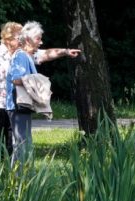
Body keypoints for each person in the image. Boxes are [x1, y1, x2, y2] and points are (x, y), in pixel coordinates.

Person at [0, 22, 80, 155]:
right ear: (8, 37)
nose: (21, 39)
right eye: (19, 36)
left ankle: (8, 174)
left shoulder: (24, 53)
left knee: (10, 146)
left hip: (12, 105)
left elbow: (46, 54)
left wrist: (66, 52)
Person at [6, 21, 79, 165]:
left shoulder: (28, 55)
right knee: (22, 145)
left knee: (24, 143)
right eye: (38, 38)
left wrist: (66, 51)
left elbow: (47, 53)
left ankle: (23, 180)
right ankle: (19, 181)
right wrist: (37, 81)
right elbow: (15, 79)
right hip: (17, 106)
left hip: (21, 106)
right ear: (27, 40)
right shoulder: (21, 56)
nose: (41, 42)